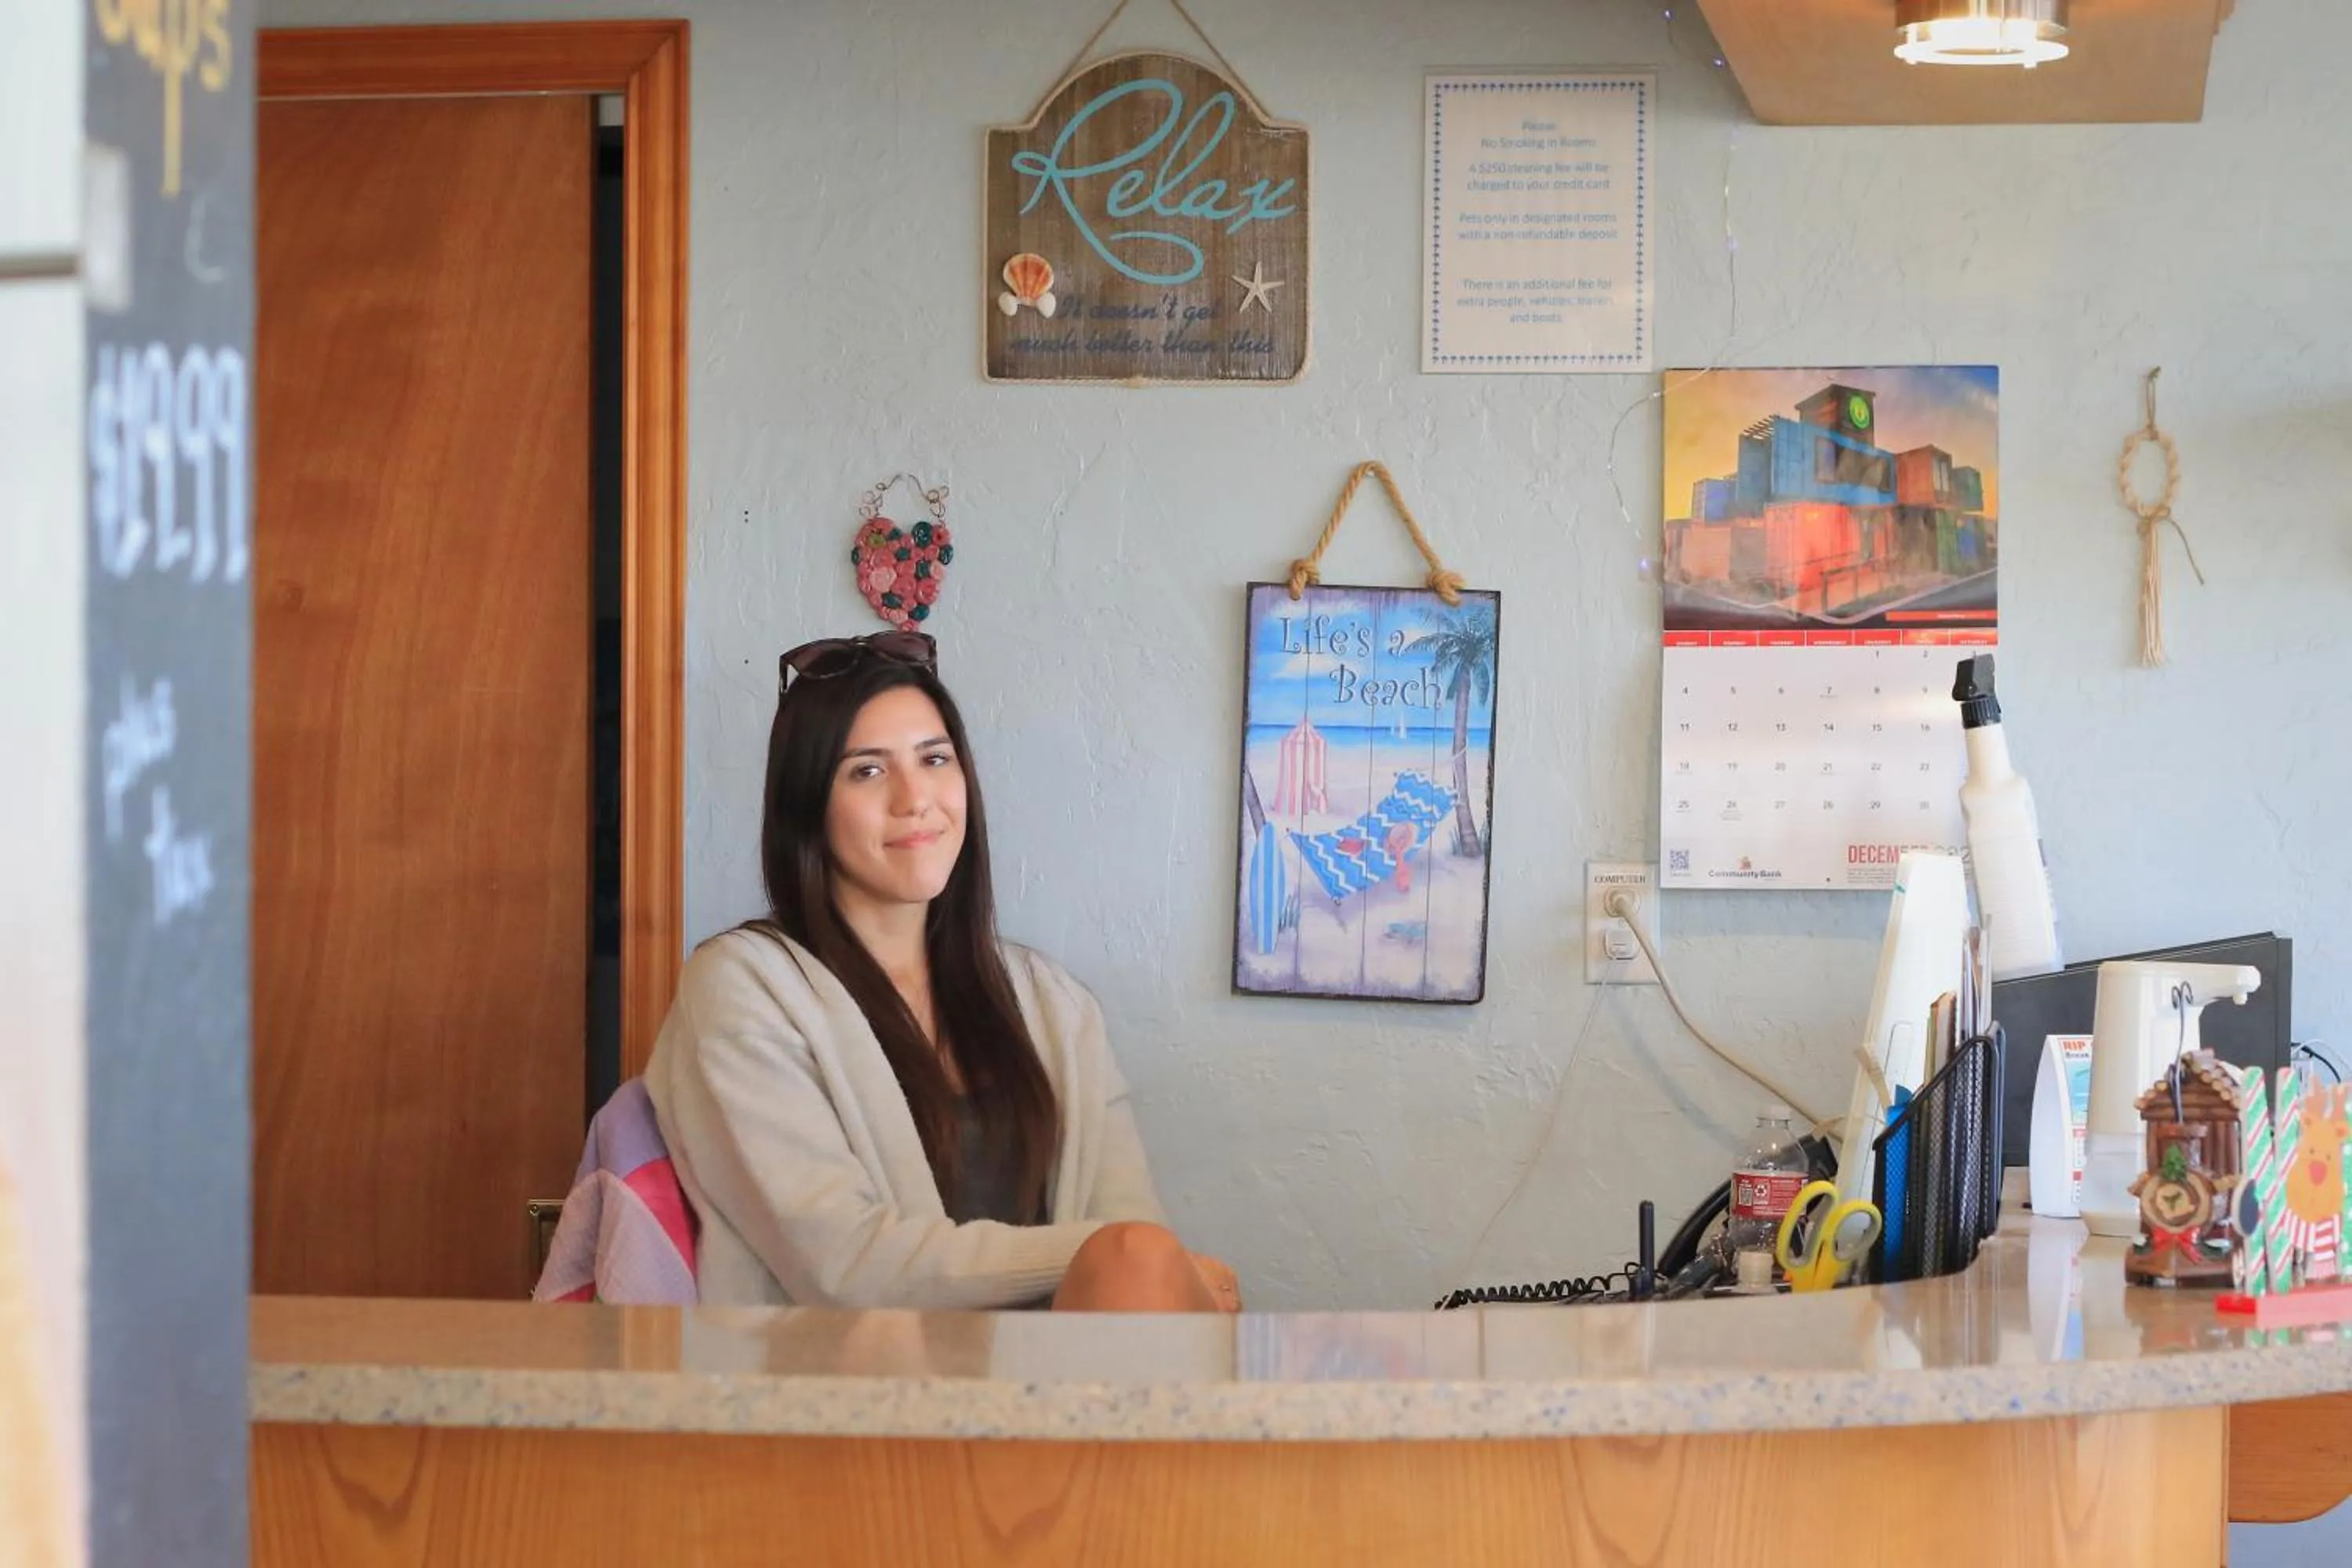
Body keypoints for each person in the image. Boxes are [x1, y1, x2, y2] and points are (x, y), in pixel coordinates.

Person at [644, 630, 1240, 1313]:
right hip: (847, 1391)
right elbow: (846, 1266)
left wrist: (1139, 1258)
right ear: (809, 807)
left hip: (1066, 1382)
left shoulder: (1053, 1005)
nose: (915, 799)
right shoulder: (743, 988)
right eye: (867, 770)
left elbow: (1134, 1238)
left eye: (935, 759)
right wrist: (1107, 1250)